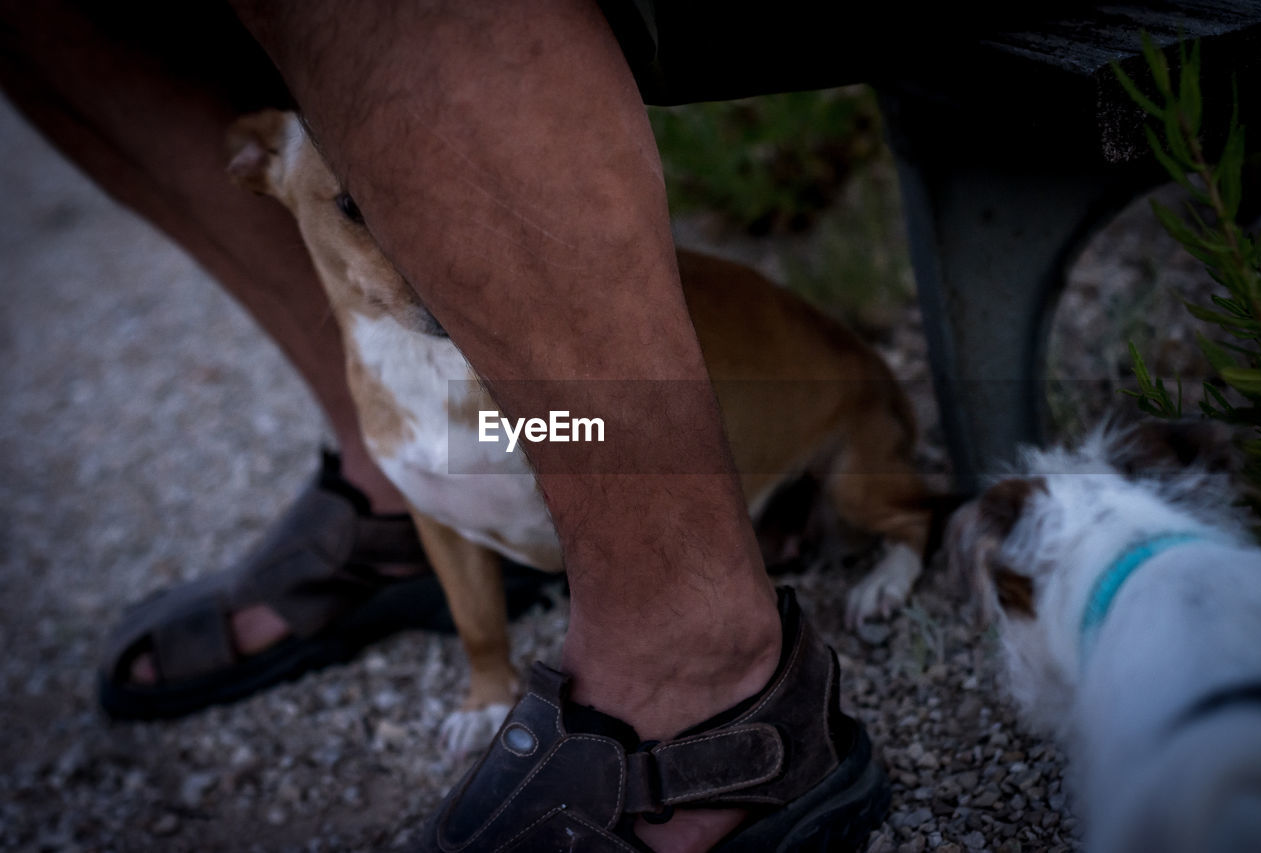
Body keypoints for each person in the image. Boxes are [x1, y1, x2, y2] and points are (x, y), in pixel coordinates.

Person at [1, 1, 891, 849]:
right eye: (360, 208)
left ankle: (689, 640)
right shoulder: (273, 160)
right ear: (257, 167)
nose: (411, 251)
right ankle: (399, 483)